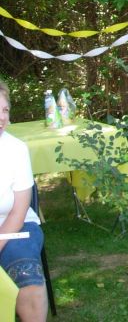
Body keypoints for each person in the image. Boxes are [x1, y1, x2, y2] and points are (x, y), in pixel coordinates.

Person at [0, 80, 48, 322]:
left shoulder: (16, 149)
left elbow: (19, 211)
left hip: (16, 228)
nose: (1, 117)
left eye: (5, 110)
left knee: (28, 277)